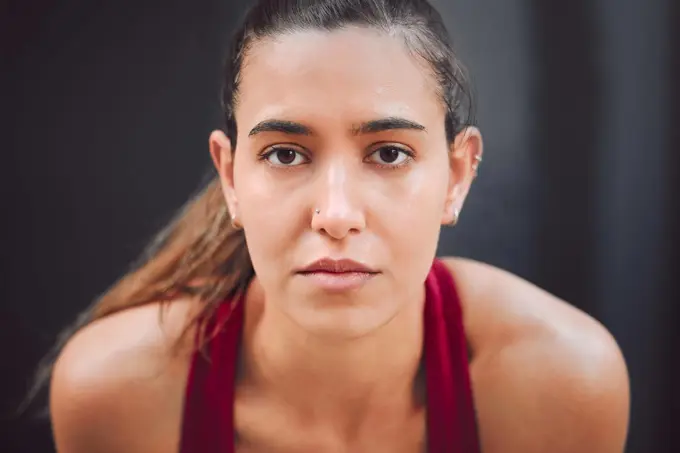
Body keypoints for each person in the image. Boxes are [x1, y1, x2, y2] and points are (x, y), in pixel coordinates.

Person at [45, 0, 630, 452]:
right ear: (230, 177)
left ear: (456, 175)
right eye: (284, 154)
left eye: (389, 153)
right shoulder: (118, 393)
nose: (337, 215)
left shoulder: (561, 384)